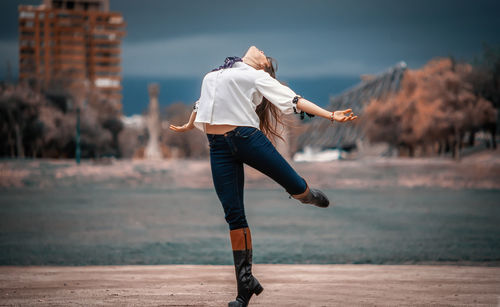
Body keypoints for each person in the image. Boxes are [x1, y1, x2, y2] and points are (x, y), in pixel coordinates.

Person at [169, 46, 357, 307]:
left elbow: (294, 100)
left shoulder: (257, 76)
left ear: (262, 67)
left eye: (265, 57)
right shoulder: (215, 74)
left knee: (295, 187)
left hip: (247, 139)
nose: (260, 49)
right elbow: (203, 102)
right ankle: (244, 287)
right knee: (233, 215)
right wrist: (191, 123)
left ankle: (308, 195)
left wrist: (330, 115)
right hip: (218, 147)